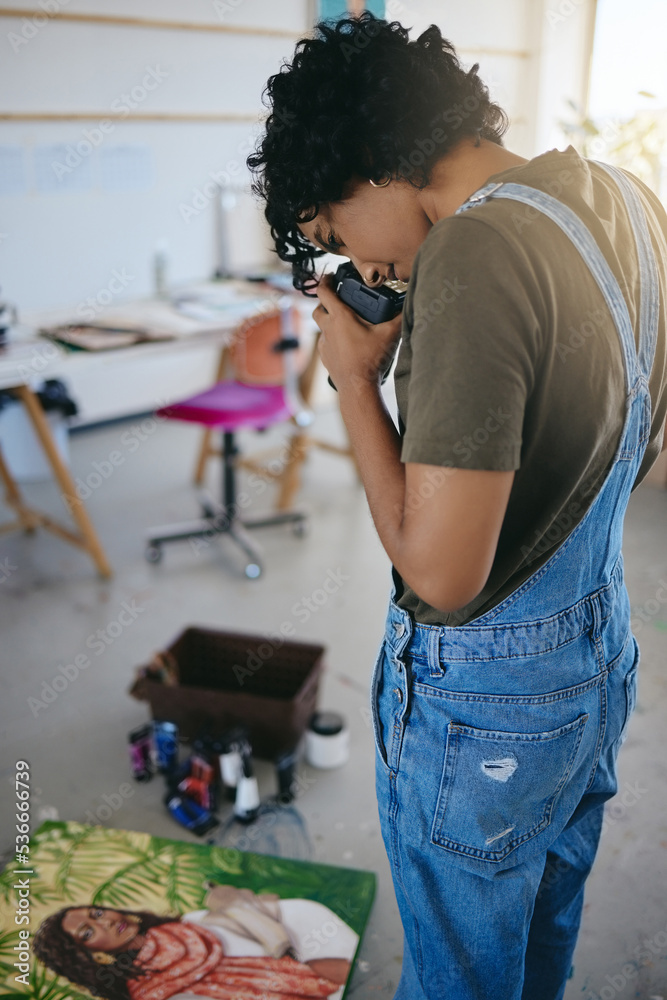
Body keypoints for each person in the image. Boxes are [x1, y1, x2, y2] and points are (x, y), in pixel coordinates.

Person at [247, 12, 667, 1000]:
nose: (363, 269)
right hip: (594, 656)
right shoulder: (623, 198)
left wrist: (356, 382)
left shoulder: (471, 257)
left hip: (488, 711)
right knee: (535, 951)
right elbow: (630, 444)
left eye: (332, 234)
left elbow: (441, 574)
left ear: (369, 167)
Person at [32, 904, 347, 1000]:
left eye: (97, 914)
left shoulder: (188, 925)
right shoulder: (147, 990)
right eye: (88, 932)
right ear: (90, 955)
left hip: (305, 977)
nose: (106, 923)